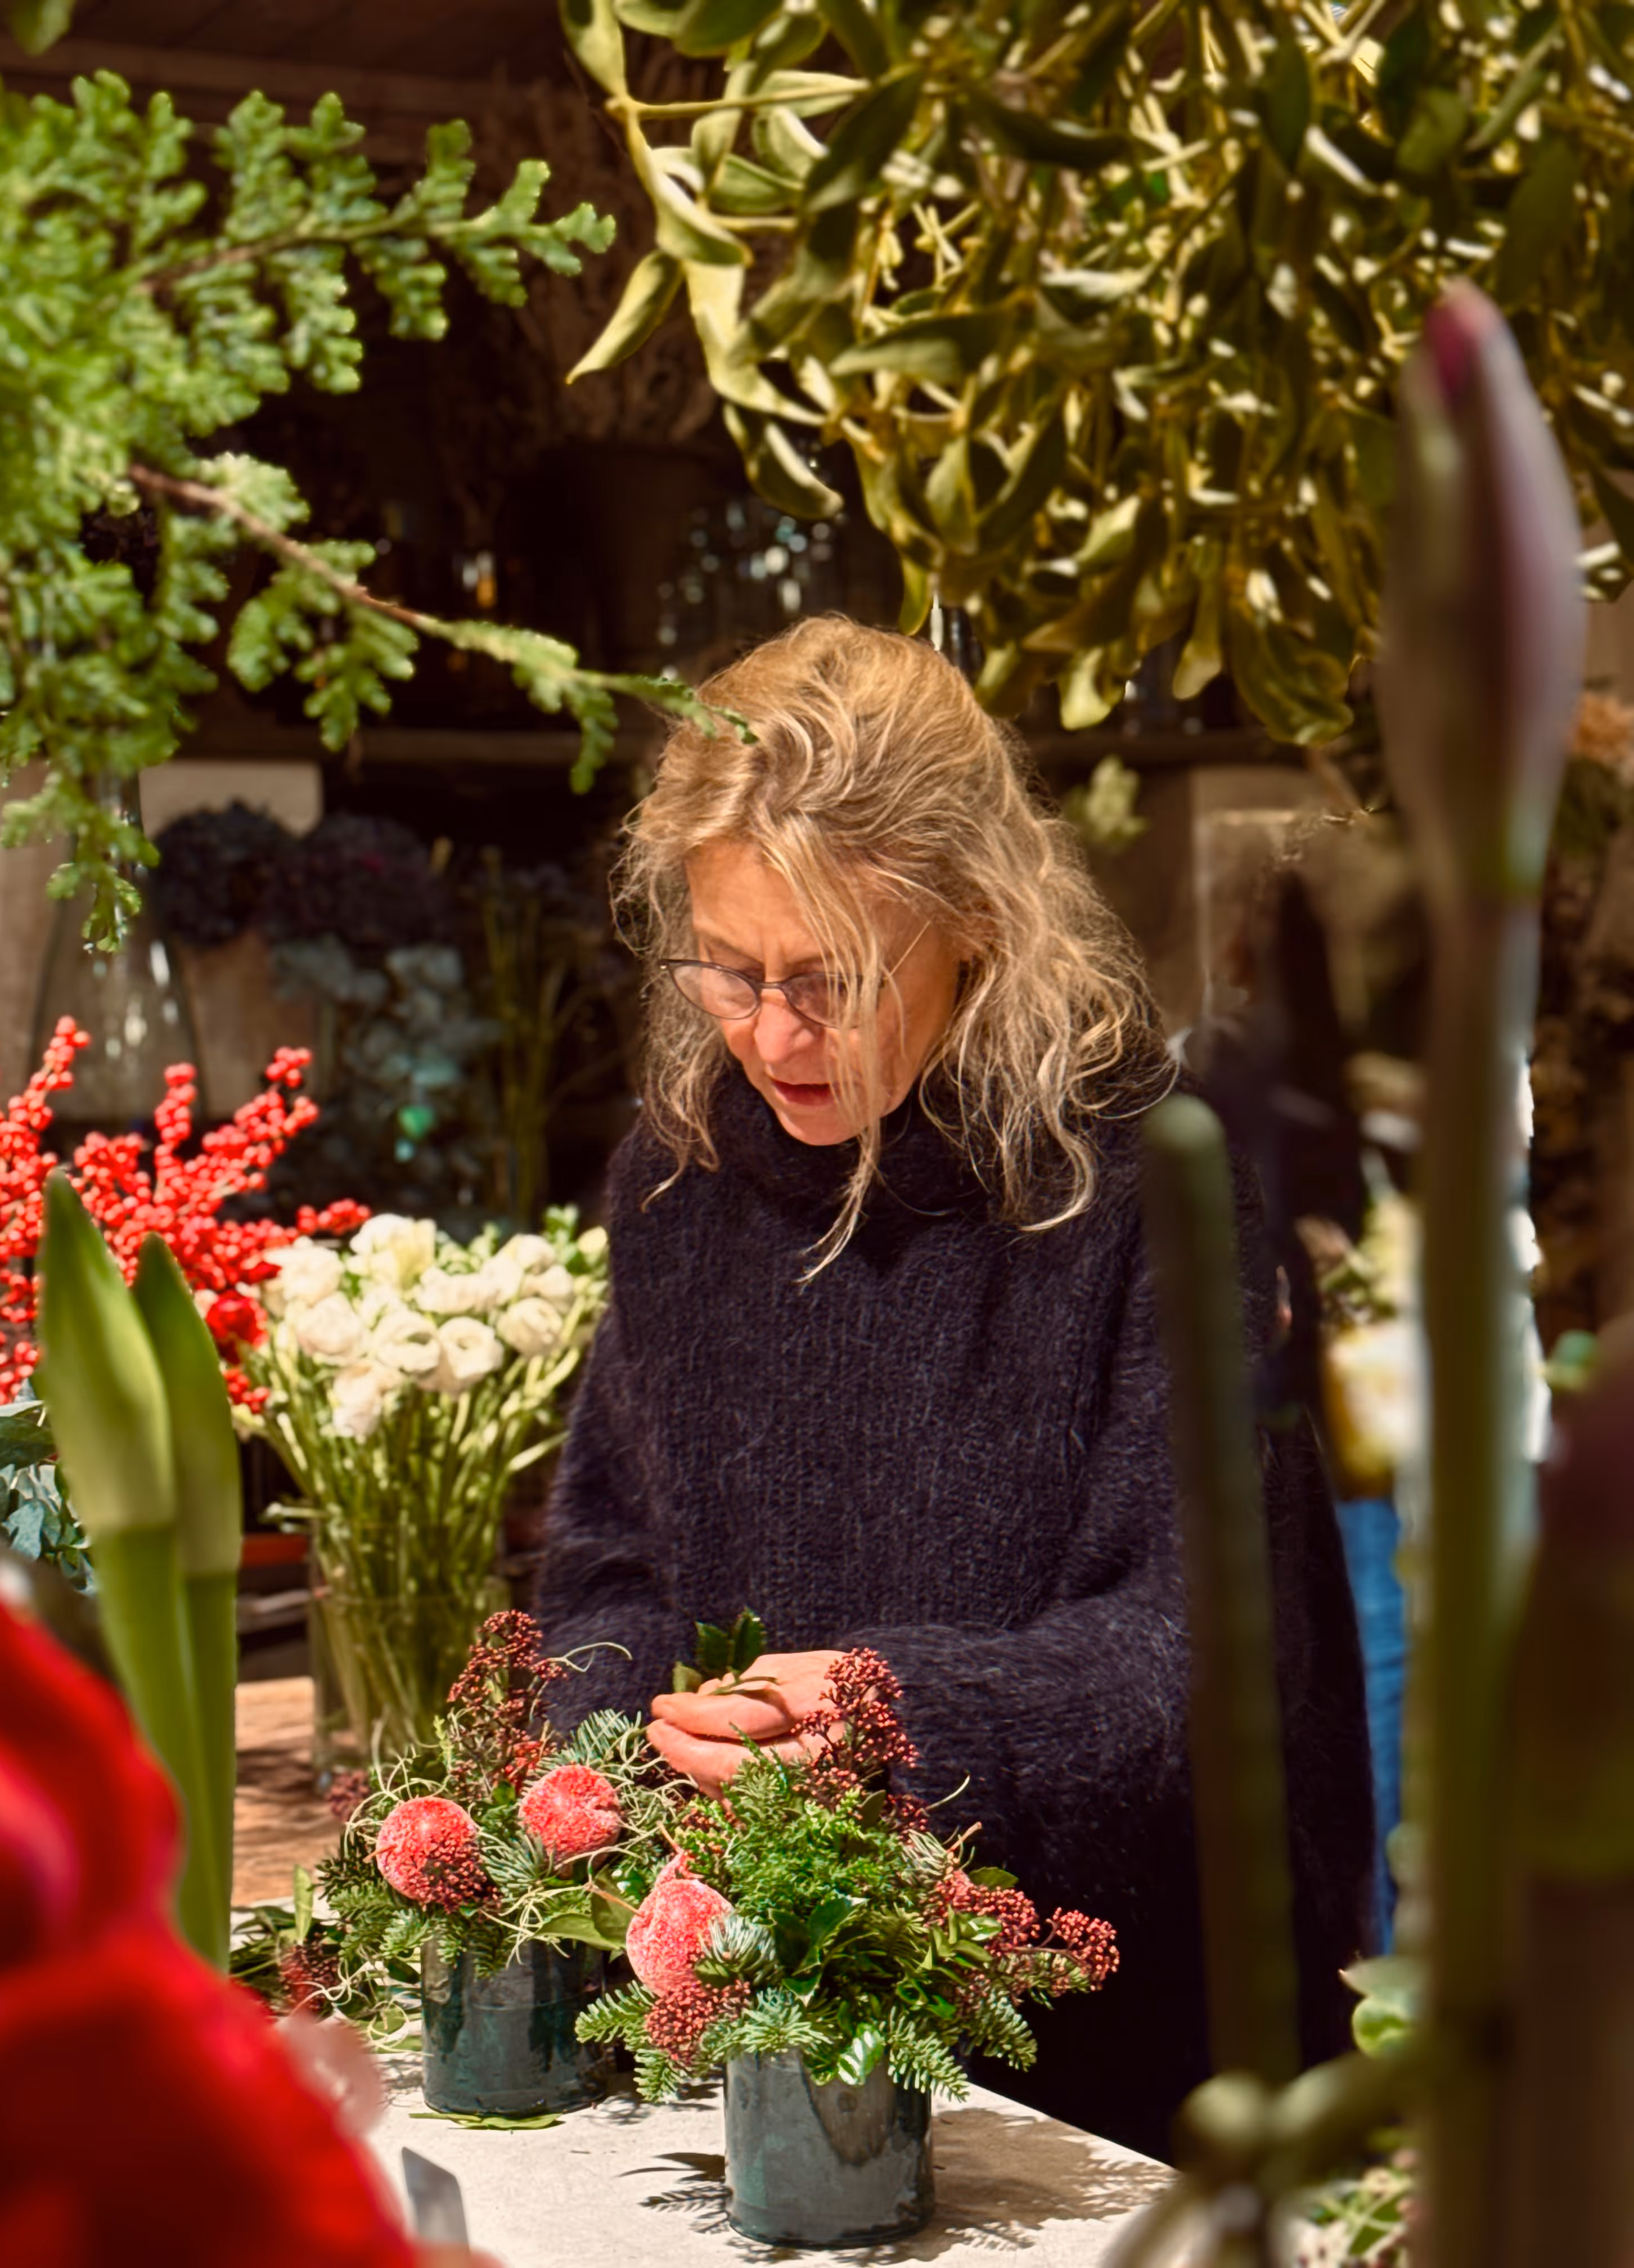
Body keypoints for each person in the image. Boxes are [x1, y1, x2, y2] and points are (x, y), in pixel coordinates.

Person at [535, 615, 1374, 2162]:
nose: (776, 1034)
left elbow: (1199, 1659)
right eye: (731, 968)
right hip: (778, 2040)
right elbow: (612, 1561)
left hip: (1126, 2074)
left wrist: (891, 1717)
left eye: (836, 978)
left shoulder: (1148, 1181)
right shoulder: (682, 1175)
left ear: (975, 919)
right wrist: (592, 1775)